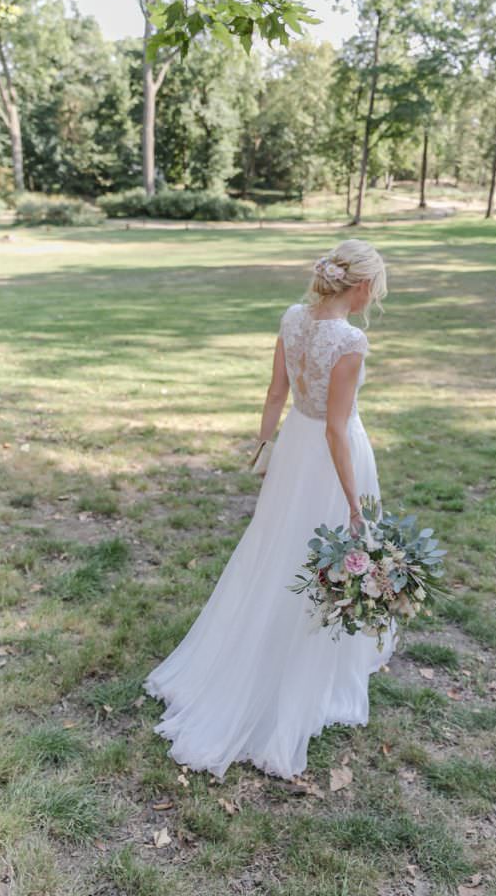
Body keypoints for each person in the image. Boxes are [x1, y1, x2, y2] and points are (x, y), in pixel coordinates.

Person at [143, 239, 397, 780]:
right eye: (373, 286)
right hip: (331, 460)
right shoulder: (350, 340)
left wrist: (264, 446)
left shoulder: (291, 318)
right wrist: (354, 503)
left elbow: (276, 393)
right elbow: (336, 428)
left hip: (293, 454)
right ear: (358, 287)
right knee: (320, 565)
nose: (373, 294)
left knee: (278, 553)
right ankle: (300, 677)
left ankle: (270, 653)